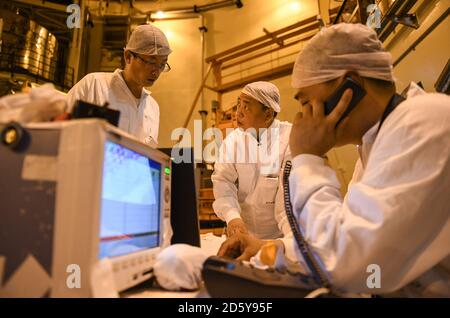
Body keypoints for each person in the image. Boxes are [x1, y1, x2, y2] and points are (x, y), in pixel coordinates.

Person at [218, 23, 450, 297]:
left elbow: (347, 263)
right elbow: (343, 232)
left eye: (306, 101)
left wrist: (308, 159)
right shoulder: (376, 141)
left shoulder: (424, 124)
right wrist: (273, 250)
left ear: (349, 86)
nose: (303, 116)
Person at [66, 24, 172, 147]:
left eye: (162, 64)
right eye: (151, 62)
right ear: (128, 57)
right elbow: (59, 127)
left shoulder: (152, 108)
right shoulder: (94, 85)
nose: (156, 71)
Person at [212, 81, 292, 239]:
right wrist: (232, 217)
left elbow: (289, 202)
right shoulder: (233, 141)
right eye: (238, 104)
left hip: (280, 237)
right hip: (243, 235)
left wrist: (289, 243)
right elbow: (223, 181)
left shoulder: (289, 139)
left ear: (268, 114)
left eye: (246, 106)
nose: (238, 113)